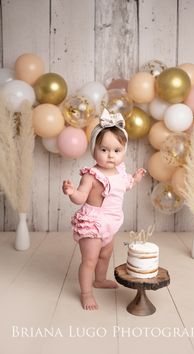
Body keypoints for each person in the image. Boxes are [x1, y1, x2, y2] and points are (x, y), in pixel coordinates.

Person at [62, 108, 146, 310]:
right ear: (94, 149)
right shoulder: (91, 175)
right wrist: (73, 192)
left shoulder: (120, 172)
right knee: (89, 260)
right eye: (104, 150)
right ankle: (86, 293)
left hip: (112, 221)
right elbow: (82, 197)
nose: (110, 156)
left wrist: (135, 179)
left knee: (105, 255)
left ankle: (99, 280)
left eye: (117, 151)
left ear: (123, 152)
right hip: (94, 222)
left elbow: (125, 185)